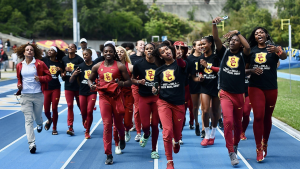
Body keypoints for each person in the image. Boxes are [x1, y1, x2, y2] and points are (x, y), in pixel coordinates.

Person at [209, 16, 251, 166]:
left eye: (236, 40)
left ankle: (235, 144)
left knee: (237, 125)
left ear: (240, 43)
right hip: (225, 93)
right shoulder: (223, 52)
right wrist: (214, 23)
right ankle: (231, 151)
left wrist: (237, 32)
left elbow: (248, 47)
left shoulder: (242, 54)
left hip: (239, 94)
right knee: (228, 121)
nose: (233, 41)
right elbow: (216, 38)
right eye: (231, 40)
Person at [246, 27, 287, 162]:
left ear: (266, 35)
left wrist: (277, 50)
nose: (259, 34)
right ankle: (258, 148)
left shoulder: (274, 49)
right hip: (255, 87)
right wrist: (251, 70)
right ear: (254, 37)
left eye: (261, 32)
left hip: (271, 87)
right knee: (258, 116)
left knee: (267, 117)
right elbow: (244, 70)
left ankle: (265, 143)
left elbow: (284, 56)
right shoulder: (250, 50)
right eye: (256, 33)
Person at [88, 43, 131, 165]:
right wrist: (91, 85)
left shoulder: (120, 66)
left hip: (117, 98)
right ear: (103, 53)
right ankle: (109, 154)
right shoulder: (97, 67)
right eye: (106, 51)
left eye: (110, 52)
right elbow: (90, 79)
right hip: (104, 98)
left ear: (114, 53)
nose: (108, 53)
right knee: (107, 125)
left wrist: (120, 83)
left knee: (118, 124)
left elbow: (128, 82)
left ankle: (122, 137)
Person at [152, 43, 187, 169]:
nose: (166, 51)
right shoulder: (159, 70)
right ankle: (169, 161)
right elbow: (156, 87)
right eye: (162, 51)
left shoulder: (180, 64)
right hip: (163, 102)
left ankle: (176, 141)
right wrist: (155, 90)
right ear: (160, 56)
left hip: (178, 103)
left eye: (167, 49)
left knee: (176, 133)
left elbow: (183, 65)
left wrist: (179, 58)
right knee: (167, 132)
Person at [15, 43, 52, 153]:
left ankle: (40, 123)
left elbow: (49, 76)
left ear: (34, 52)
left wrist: (40, 78)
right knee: (28, 120)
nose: (29, 51)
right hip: (25, 95)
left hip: (37, 94)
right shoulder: (19, 65)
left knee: (36, 117)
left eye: (31, 50)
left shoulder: (40, 64)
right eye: (27, 50)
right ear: (24, 52)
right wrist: (19, 85)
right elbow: (19, 78)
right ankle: (32, 143)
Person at [132, 43, 159, 159]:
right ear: (144, 51)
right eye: (147, 49)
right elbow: (132, 79)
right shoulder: (139, 64)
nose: (149, 50)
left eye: (151, 49)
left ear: (154, 51)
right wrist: (138, 82)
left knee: (155, 125)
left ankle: (154, 149)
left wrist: (159, 87)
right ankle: (146, 134)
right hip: (143, 97)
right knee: (146, 125)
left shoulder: (159, 64)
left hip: (157, 98)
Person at [192, 35, 220, 147]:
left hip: (216, 86)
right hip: (204, 86)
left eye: (204, 43)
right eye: (201, 44)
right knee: (204, 110)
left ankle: (213, 134)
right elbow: (198, 72)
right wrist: (200, 77)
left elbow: (220, 70)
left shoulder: (216, 57)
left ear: (210, 44)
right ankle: (207, 135)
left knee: (215, 112)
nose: (202, 46)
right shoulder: (199, 59)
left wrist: (207, 65)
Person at [70, 49, 97, 139]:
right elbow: (71, 81)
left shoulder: (95, 66)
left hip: (92, 92)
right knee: (83, 112)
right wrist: (74, 74)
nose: (85, 56)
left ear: (91, 55)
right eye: (83, 55)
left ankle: (87, 131)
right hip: (82, 92)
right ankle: (84, 120)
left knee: (90, 111)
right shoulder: (79, 66)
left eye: (86, 54)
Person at [112, 46, 134, 154]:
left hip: (128, 96)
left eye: (122, 52)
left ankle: (127, 130)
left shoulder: (130, 67)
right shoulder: (110, 66)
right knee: (116, 124)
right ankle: (117, 144)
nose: (120, 53)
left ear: (125, 54)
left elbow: (134, 80)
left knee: (127, 121)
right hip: (116, 97)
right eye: (117, 52)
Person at [173, 41, 194, 144]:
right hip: (169, 89)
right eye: (177, 47)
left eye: (182, 48)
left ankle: (179, 135)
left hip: (183, 88)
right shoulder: (166, 60)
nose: (179, 50)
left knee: (181, 113)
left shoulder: (187, 60)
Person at [62, 43, 84, 135]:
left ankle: (86, 123)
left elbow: (83, 69)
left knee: (81, 106)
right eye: (69, 47)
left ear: (75, 49)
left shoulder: (79, 59)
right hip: (68, 86)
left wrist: (72, 69)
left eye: (72, 47)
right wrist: (63, 74)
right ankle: (70, 127)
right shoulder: (64, 59)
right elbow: (63, 72)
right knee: (70, 105)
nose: (70, 48)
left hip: (78, 86)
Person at [41, 46, 64, 135]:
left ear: (56, 53)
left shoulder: (60, 63)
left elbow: (63, 75)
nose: (49, 51)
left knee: (54, 108)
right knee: (46, 110)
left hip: (56, 88)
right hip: (46, 88)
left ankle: (54, 128)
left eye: (52, 50)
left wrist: (61, 70)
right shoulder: (44, 60)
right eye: (49, 50)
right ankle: (50, 120)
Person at [186, 40, 202, 136]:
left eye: (202, 44)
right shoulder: (189, 59)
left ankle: (204, 129)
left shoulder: (205, 57)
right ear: (194, 47)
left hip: (204, 84)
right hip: (193, 84)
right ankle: (196, 123)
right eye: (199, 45)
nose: (201, 46)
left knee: (205, 108)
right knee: (195, 107)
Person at [130, 40, 145, 142]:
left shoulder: (148, 58)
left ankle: (146, 128)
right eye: (141, 45)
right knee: (137, 108)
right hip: (136, 85)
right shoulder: (132, 58)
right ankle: (138, 131)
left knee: (147, 108)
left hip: (147, 85)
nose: (143, 46)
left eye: (144, 45)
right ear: (136, 47)